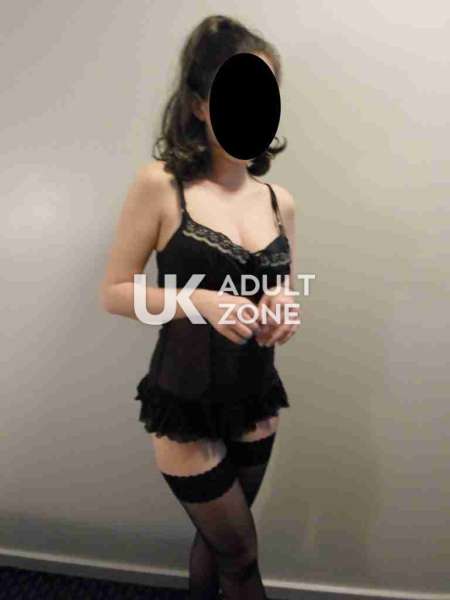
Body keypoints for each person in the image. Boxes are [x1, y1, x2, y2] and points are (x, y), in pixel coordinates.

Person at [99, 14, 299, 600]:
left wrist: (284, 311)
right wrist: (198, 301)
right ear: (199, 105)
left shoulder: (279, 200)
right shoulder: (161, 186)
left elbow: (284, 291)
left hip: (256, 397)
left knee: (218, 547)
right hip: (186, 401)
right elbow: (115, 292)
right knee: (241, 555)